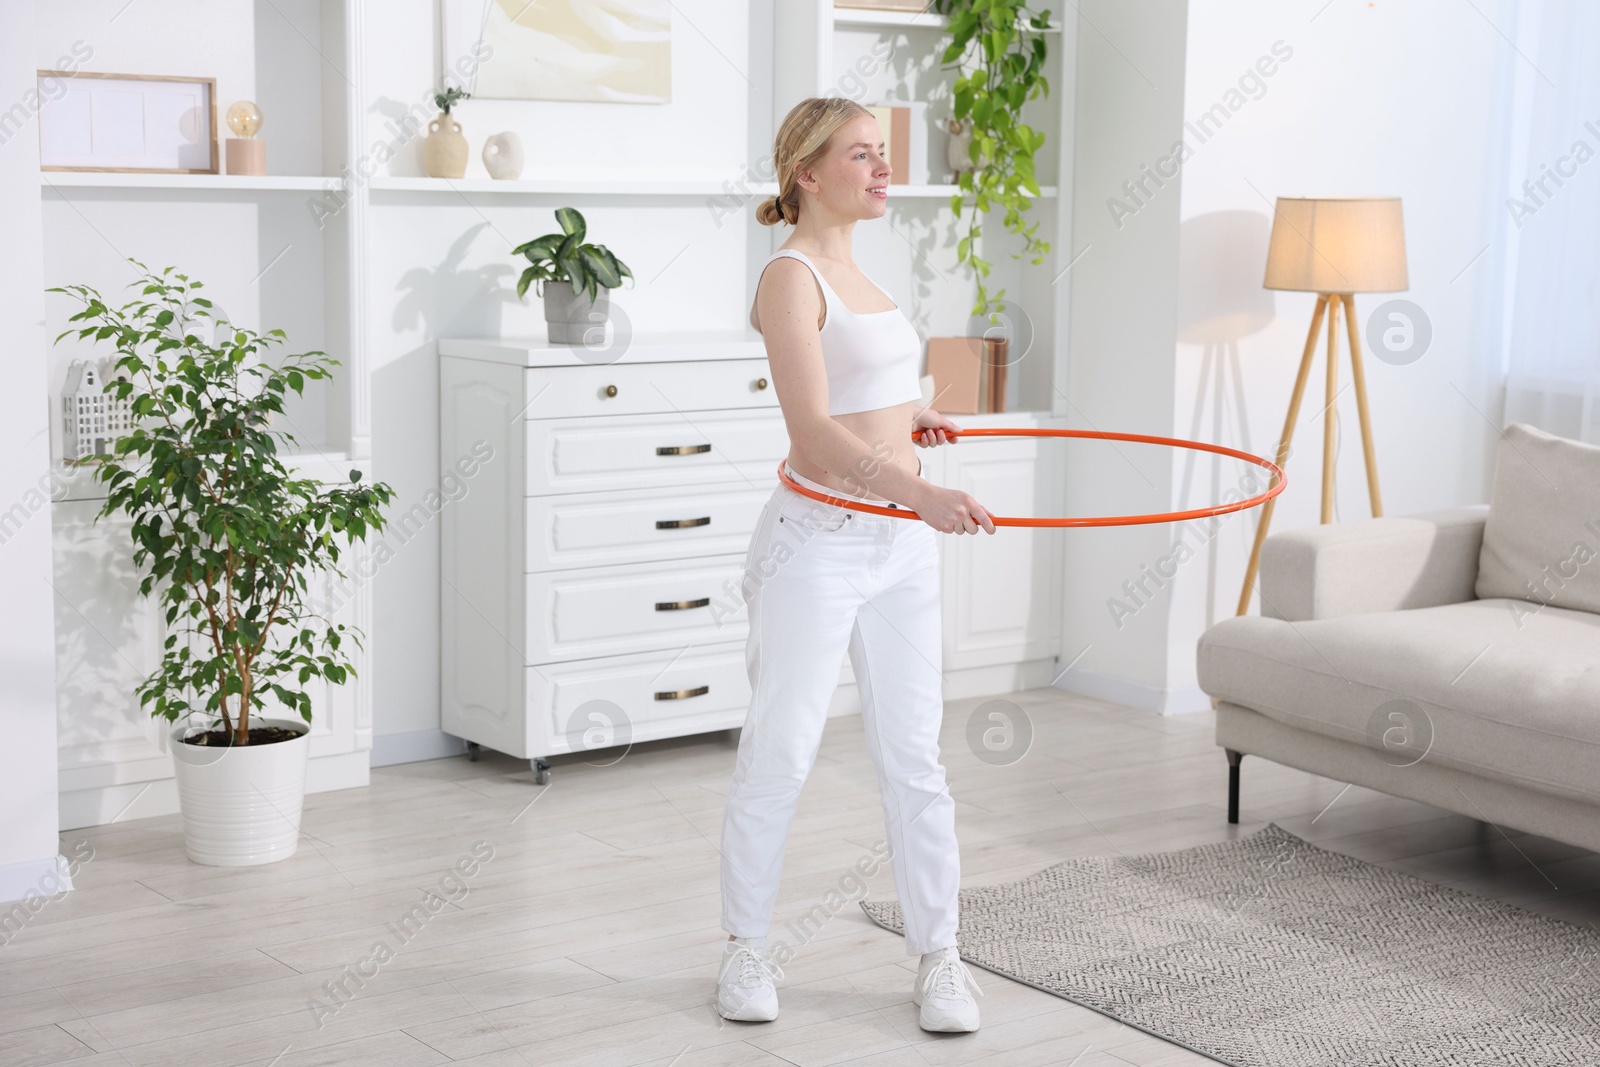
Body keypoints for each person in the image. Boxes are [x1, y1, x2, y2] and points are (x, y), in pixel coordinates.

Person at [715, 96, 991, 1034]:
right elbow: (812, 433)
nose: (884, 171)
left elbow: (865, 392)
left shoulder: (863, 272)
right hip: (817, 543)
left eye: (884, 155)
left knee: (916, 757)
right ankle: (748, 947)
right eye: (864, 156)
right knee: (783, 747)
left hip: (899, 547)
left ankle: (941, 957)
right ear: (807, 172)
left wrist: (910, 418)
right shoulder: (788, 277)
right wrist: (920, 492)